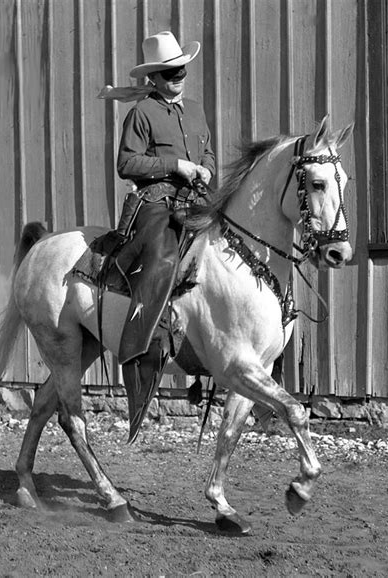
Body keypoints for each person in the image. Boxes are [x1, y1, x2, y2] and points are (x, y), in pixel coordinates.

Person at [102, 31, 216, 440]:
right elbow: (126, 163)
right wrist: (177, 166)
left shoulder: (197, 110)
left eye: (182, 69)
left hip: (197, 199)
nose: (178, 76)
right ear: (154, 78)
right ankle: (143, 351)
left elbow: (207, 152)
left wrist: (203, 167)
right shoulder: (143, 113)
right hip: (156, 203)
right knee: (164, 258)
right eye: (170, 73)